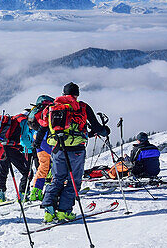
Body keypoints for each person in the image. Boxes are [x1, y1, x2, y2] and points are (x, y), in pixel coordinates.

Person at [37, 83, 111, 223]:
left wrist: (37, 143)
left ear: (63, 93)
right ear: (77, 94)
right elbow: (97, 127)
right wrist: (105, 131)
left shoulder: (51, 107)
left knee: (57, 179)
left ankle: (49, 210)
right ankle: (64, 211)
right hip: (76, 149)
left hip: (58, 149)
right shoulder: (82, 107)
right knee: (74, 180)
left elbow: (42, 128)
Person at [0, 112, 31, 204]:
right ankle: (22, 195)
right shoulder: (24, 121)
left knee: (3, 170)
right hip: (11, 149)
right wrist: (31, 147)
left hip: (1, 147)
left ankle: (1, 196)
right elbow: (24, 138)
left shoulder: (12, 120)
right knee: (27, 171)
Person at [27, 95, 54, 202]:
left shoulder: (34, 111)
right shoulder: (49, 110)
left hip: (37, 140)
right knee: (61, 162)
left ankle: (35, 192)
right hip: (47, 139)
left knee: (43, 166)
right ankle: (60, 189)